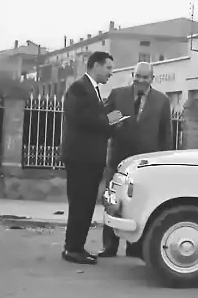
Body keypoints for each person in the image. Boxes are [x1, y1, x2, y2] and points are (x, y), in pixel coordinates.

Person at [98, 61, 173, 258]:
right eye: (138, 76)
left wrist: (164, 161)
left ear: (152, 79)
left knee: (140, 203)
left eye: (145, 77)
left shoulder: (162, 101)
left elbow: (165, 134)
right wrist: (117, 121)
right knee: (113, 202)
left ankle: (135, 247)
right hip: (118, 159)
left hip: (146, 163)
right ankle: (109, 246)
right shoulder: (118, 94)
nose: (140, 80)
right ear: (133, 74)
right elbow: (104, 120)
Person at [60, 51, 123, 265]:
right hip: (80, 158)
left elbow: (97, 122)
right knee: (80, 203)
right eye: (108, 68)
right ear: (95, 65)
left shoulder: (93, 90)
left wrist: (113, 122)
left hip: (90, 158)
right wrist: (112, 119)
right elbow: (83, 119)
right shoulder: (79, 88)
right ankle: (72, 249)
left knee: (86, 204)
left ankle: (77, 246)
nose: (111, 73)